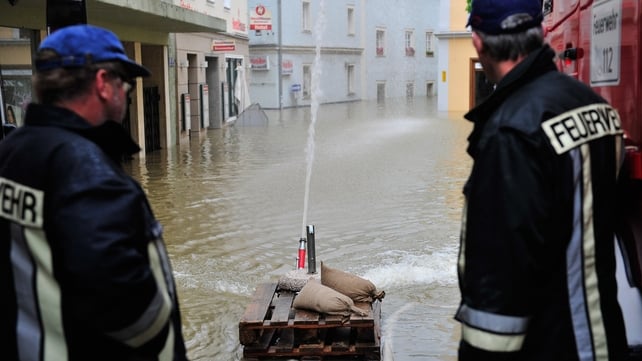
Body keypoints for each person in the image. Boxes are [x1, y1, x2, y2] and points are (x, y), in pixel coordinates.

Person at [0, 25, 189, 361]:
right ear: (103, 83)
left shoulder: (11, 151)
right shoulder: (91, 175)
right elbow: (135, 317)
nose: (127, 92)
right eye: (123, 82)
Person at [455, 0, 628, 360]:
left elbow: (497, 298)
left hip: (551, 347)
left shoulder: (510, 133)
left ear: (478, 42)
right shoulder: (595, 107)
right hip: (604, 342)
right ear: (541, 32)